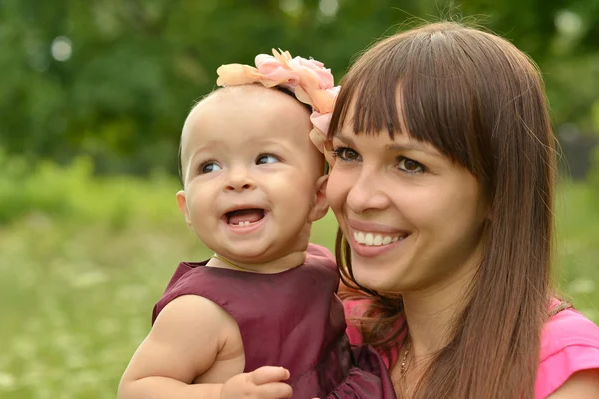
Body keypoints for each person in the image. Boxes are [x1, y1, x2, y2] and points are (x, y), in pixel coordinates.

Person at [317, 22, 599, 399]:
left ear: (499, 190)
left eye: (409, 164)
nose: (358, 198)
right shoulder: (344, 329)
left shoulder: (558, 371)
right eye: (348, 154)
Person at [117, 49, 395, 399]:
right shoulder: (200, 310)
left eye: (265, 159)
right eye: (209, 167)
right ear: (186, 208)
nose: (236, 180)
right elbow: (136, 388)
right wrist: (220, 395)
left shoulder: (319, 265)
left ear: (319, 196)